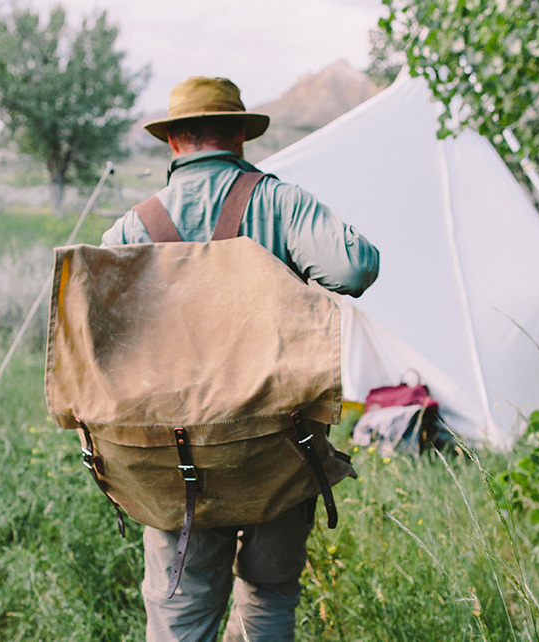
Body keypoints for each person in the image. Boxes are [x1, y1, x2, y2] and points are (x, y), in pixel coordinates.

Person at [102, 76, 379, 642]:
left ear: (174, 142)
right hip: (278, 443)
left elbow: (100, 334)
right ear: (240, 136)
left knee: (181, 613)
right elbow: (355, 268)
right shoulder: (280, 201)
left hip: (176, 458)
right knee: (269, 593)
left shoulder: (134, 227)